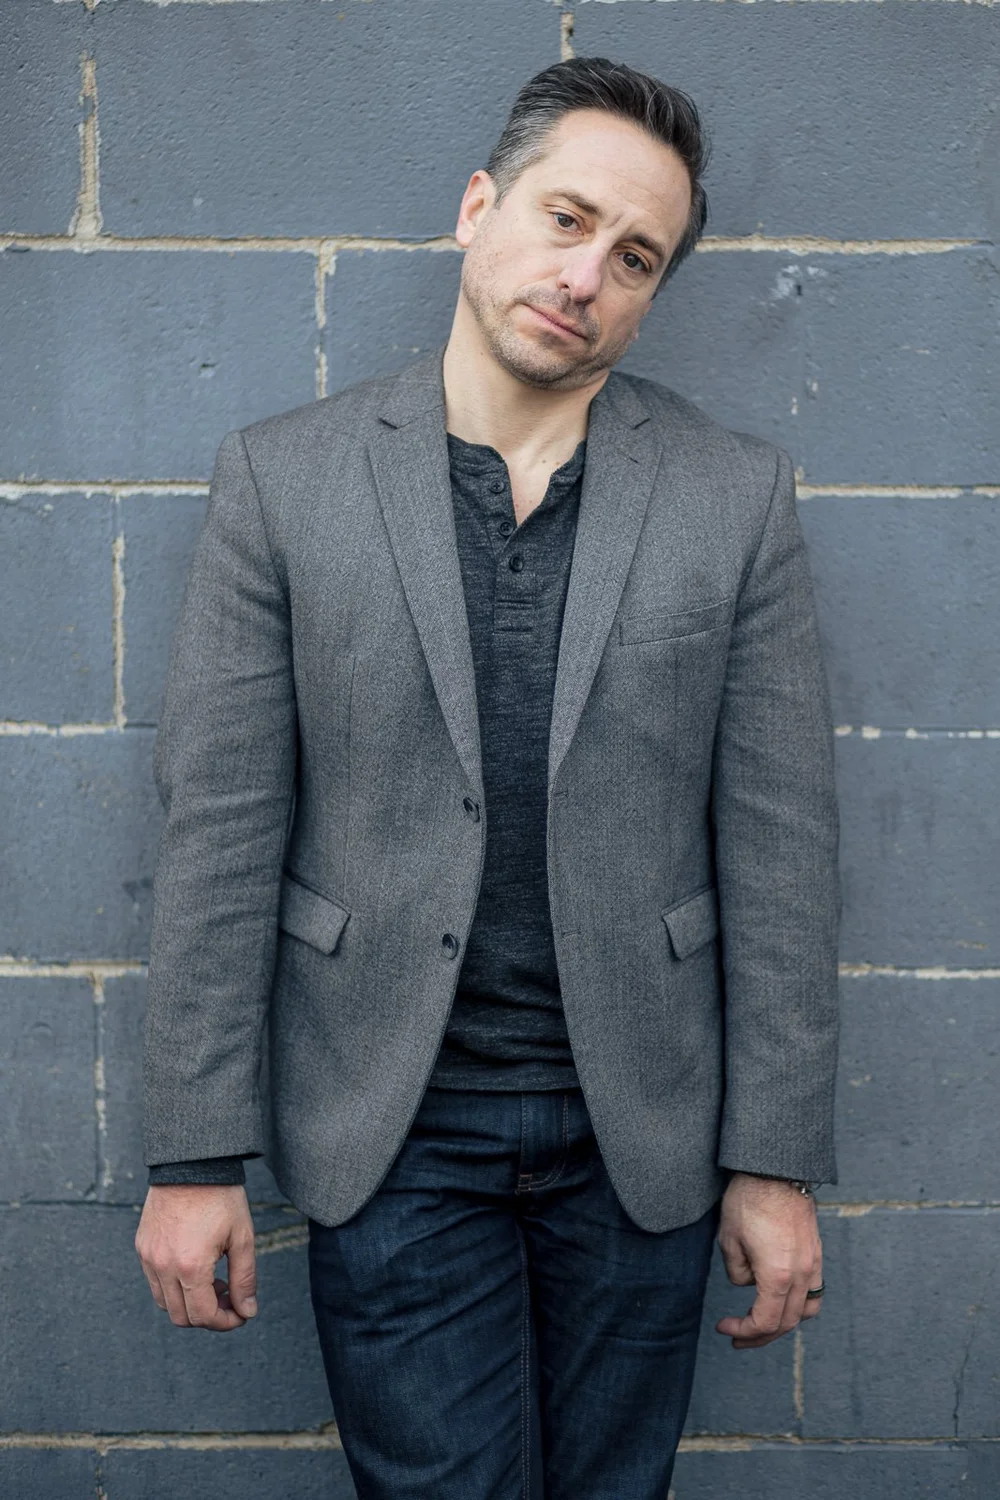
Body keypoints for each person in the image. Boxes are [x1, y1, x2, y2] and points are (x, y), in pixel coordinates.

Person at [135, 55, 840, 1499]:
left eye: (632, 257)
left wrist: (774, 1163)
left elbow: (781, 852)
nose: (584, 274)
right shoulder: (283, 481)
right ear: (477, 208)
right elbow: (219, 832)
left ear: (652, 294)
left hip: (643, 1135)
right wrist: (193, 1153)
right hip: (393, 1132)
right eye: (565, 219)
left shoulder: (735, 498)